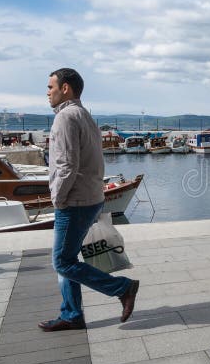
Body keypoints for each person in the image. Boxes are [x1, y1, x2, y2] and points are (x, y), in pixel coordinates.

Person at [38, 68, 139, 332]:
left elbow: (67, 165)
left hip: (75, 201)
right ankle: (71, 314)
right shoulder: (84, 115)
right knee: (68, 259)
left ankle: (122, 288)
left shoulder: (65, 118)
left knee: (62, 261)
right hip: (89, 197)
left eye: (50, 87)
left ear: (65, 88)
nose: (47, 92)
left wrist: (58, 199)